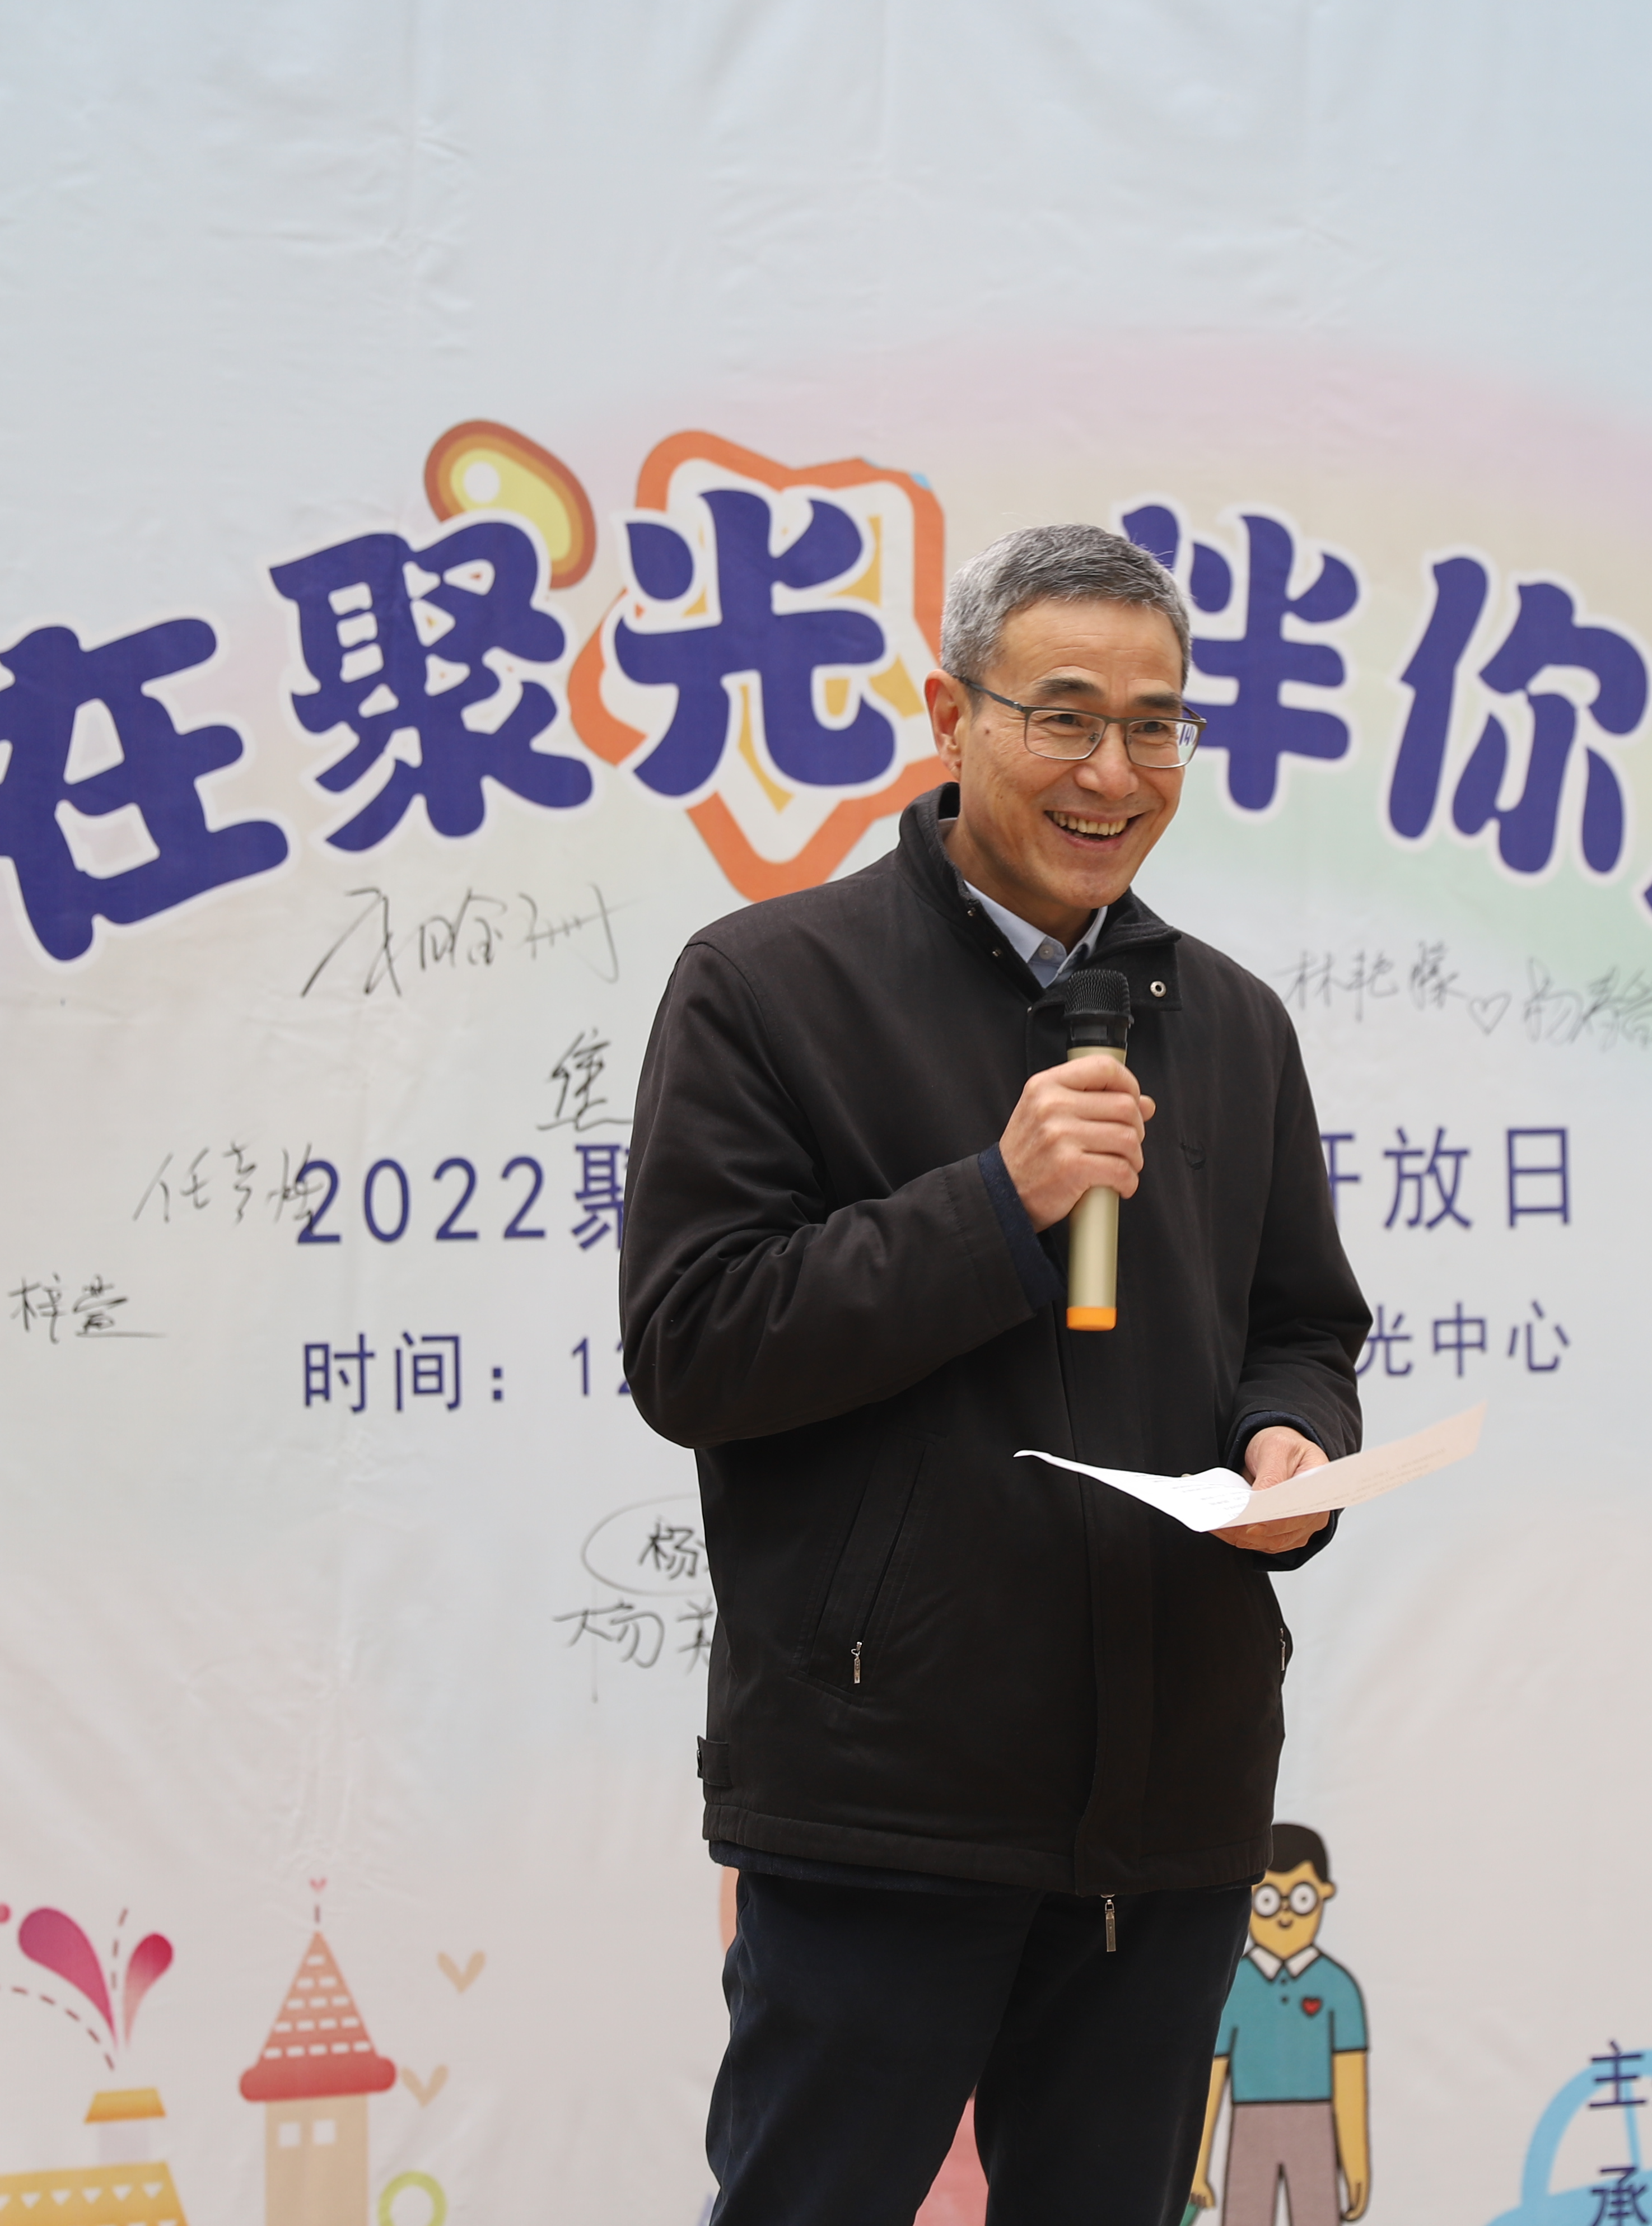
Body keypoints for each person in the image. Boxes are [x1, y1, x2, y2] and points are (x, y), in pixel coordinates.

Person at [619, 521, 1371, 2226]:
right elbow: (694, 1344)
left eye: (1156, 724)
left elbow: (1300, 1325)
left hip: (1171, 1798)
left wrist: (1288, 1447)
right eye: (1065, 715)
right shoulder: (766, 988)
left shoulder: (1232, 1023)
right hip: (886, 1793)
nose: (1114, 771)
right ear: (950, 715)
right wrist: (990, 1204)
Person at [1194, 1822, 1371, 2225]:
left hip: (1315, 2126)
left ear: (1324, 1894)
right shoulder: (1233, 1984)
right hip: (1249, 2125)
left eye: (1301, 1898)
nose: (1286, 1915)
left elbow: (1350, 2081)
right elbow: (1211, 2078)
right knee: (1246, 2215)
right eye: (1270, 1900)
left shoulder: (1338, 1988)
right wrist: (1196, 2164)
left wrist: (1356, 2166)